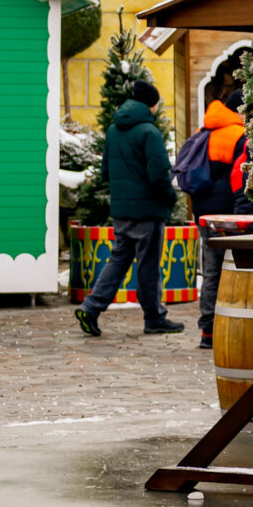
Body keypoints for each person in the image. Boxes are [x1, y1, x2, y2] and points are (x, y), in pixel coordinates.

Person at [77, 80, 184, 337]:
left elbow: (105, 171)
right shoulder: (150, 132)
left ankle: (91, 307)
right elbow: (159, 174)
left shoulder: (114, 130)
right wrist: (170, 198)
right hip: (148, 211)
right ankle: (154, 318)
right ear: (151, 104)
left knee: (119, 260)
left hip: (122, 210)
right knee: (148, 265)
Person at [188, 81, 251, 349]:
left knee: (211, 271)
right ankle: (232, 328)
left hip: (203, 211)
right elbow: (240, 177)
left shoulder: (203, 131)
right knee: (232, 270)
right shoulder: (239, 135)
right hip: (229, 214)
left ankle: (208, 330)